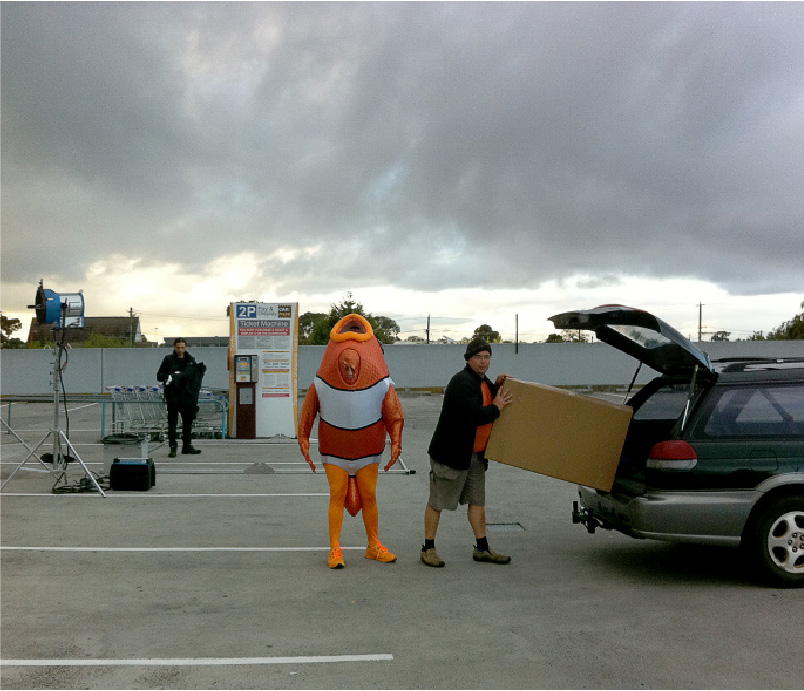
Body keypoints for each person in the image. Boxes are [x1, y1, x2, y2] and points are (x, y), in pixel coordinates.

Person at [298, 314, 404, 569]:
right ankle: (335, 549)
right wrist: (303, 440)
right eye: (344, 366)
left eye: (352, 366)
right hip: (335, 450)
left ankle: (373, 545)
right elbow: (307, 414)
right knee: (337, 494)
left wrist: (396, 442)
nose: (349, 371)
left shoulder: (382, 382)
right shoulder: (321, 383)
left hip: (368, 450)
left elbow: (394, 413)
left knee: (369, 495)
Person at [421, 337, 513, 568]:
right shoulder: (461, 382)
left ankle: (482, 548)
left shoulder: (481, 381)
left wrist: (497, 385)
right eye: (478, 357)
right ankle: (428, 549)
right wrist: (497, 408)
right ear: (468, 359)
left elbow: (483, 395)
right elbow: (473, 413)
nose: (483, 361)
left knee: (477, 501)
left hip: (475, 456)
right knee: (437, 502)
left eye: (487, 357)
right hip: (451, 455)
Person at [157, 338, 205, 457]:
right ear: (174, 347)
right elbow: (159, 376)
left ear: (186, 347)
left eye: (183, 347)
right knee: (172, 423)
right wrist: (169, 376)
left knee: (187, 422)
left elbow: (192, 375)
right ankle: (172, 446)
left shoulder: (190, 360)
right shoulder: (168, 360)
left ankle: (187, 446)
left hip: (187, 396)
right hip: (173, 396)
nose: (180, 350)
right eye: (178, 347)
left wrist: (178, 376)